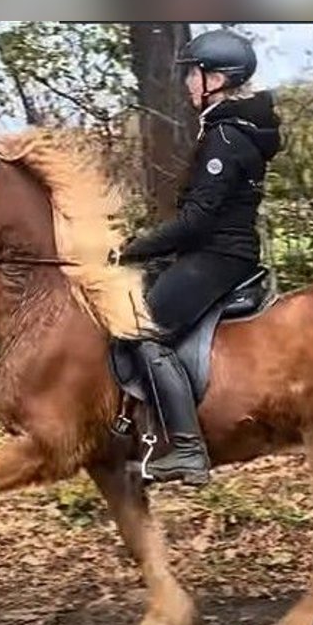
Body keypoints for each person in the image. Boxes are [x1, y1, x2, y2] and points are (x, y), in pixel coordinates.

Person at [116, 27, 282, 486]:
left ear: (219, 79)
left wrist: (133, 248)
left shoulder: (225, 139)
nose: (189, 82)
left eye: (194, 73)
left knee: (142, 328)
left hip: (219, 255)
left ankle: (187, 449)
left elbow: (196, 222)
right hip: (215, 251)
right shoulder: (229, 130)